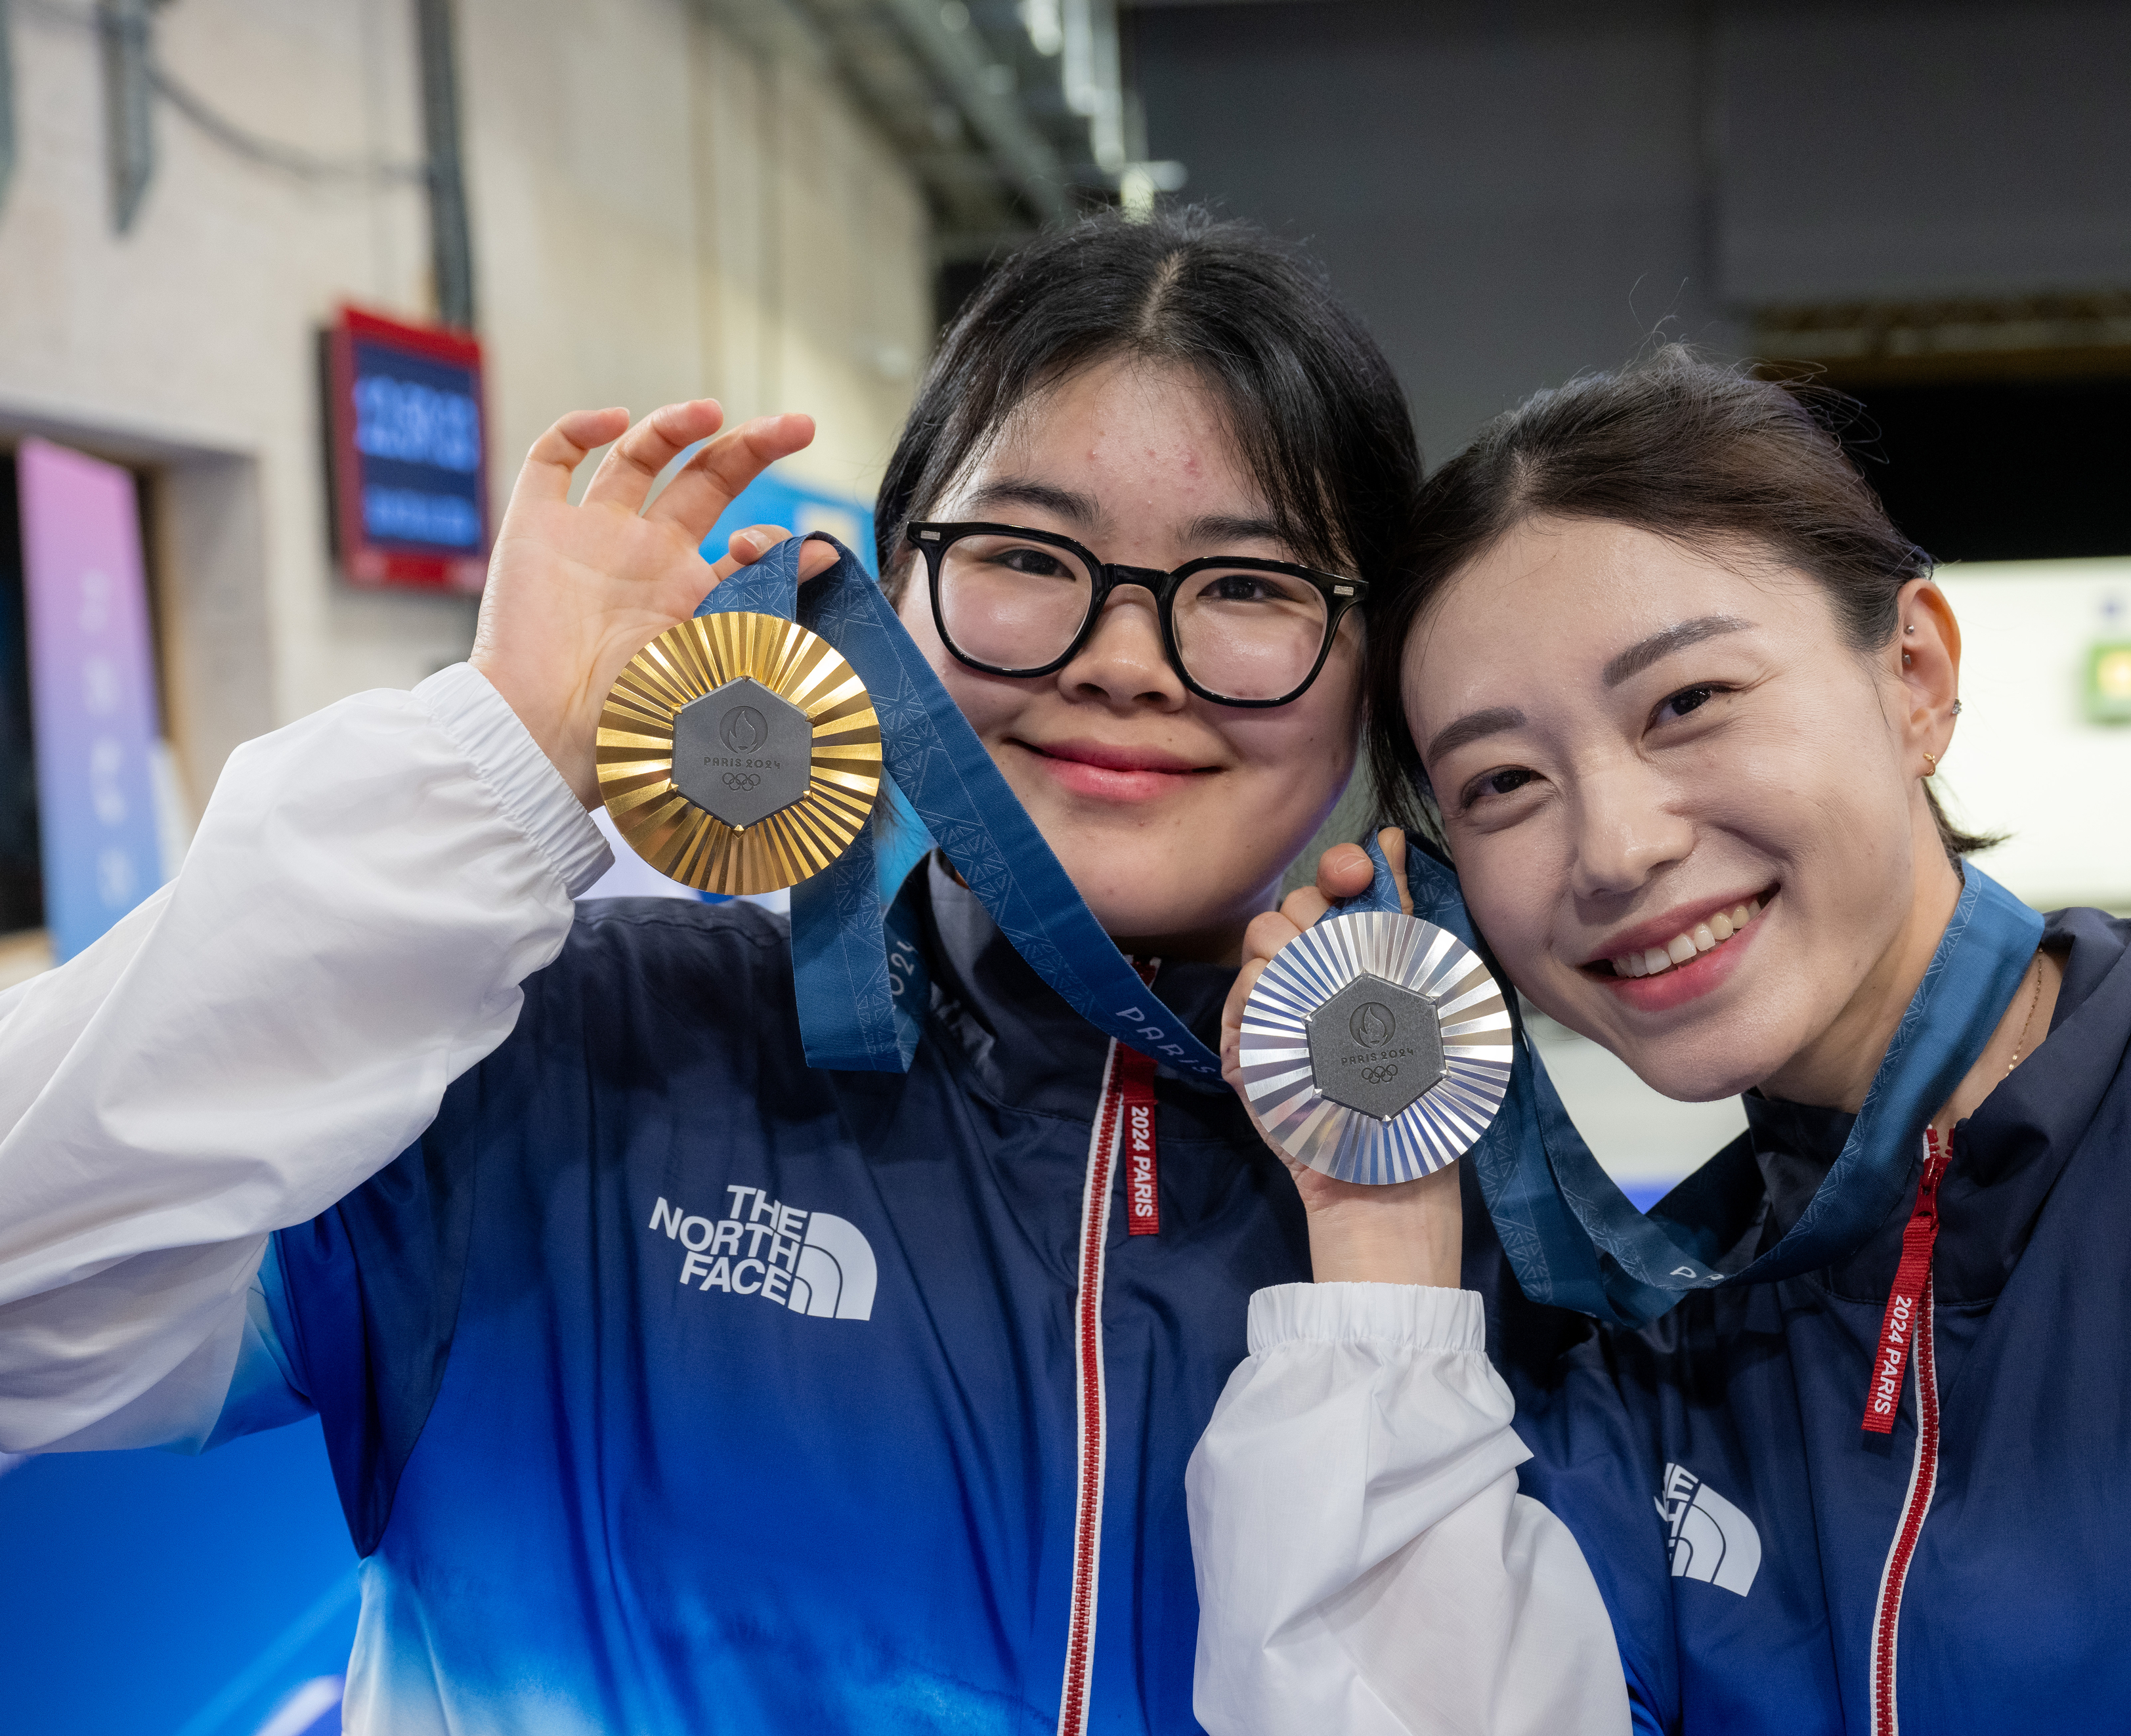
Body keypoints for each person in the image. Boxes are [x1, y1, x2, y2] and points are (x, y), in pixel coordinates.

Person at [0, 211, 1419, 1733]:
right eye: (1022, 553)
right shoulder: (556, 1058)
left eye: (1252, 583)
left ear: (1372, 660)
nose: (1127, 657)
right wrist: (489, 766)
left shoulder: (1441, 1217)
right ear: (883, 599)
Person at [1187, 352, 2131, 1734]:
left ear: (1915, 676)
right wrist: (1373, 1211)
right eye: (1502, 781)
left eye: (1686, 701)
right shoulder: (1656, 1337)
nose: (1614, 846)